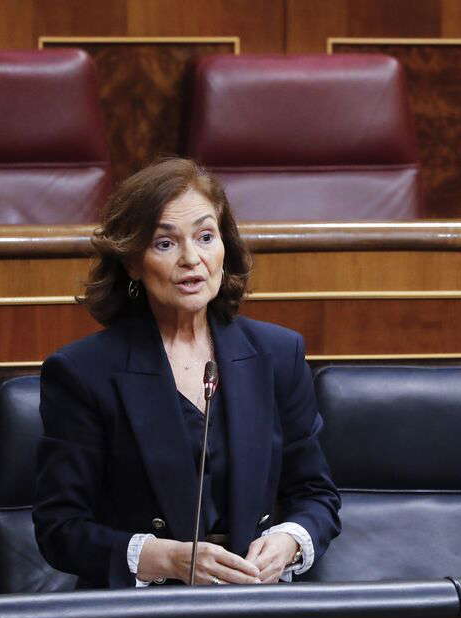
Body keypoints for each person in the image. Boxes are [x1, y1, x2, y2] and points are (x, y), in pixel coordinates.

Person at [33, 158, 341, 588]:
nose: (191, 259)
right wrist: (163, 559)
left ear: (224, 248)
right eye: (165, 243)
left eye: (205, 236)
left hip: (257, 601)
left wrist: (289, 540)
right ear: (132, 262)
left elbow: (315, 495)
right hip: (142, 616)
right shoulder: (83, 372)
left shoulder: (277, 354)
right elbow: (59, 529)